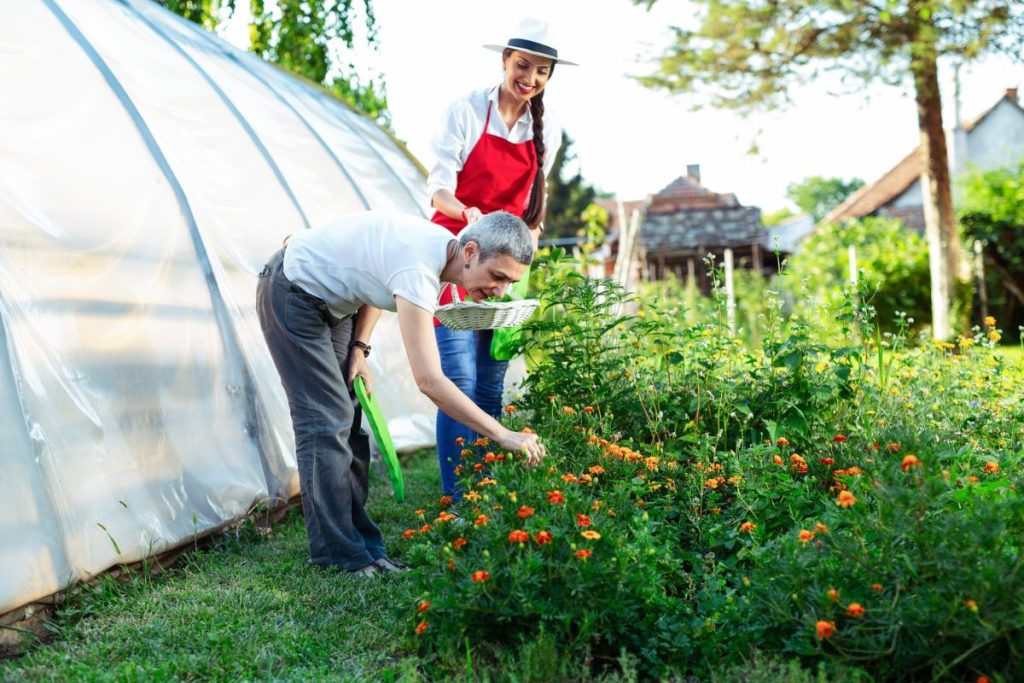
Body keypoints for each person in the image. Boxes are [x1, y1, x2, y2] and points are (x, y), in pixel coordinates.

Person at [256, 210, 543, 577]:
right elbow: (429, 380)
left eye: (509, 283)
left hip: (338, 306)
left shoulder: (440, 255)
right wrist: (503, 434)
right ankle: (337, 553)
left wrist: (360, 348)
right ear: (470, 251)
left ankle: (363, 547)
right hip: (292, 293)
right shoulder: (420, 269)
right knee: (325, 423)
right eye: (497, 276)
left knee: (351, 421)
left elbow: (376, 273)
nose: (500, 291)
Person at [427, 18, 575, 501]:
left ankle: (482, 492)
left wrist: (531, 234)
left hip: (508, 264)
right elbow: (438, 188)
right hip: (459, 255)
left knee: (492, 382)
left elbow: (537, 196)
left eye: (542, 71)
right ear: (504, 61)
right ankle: (456, 500)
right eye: (522, 65)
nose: (530, 78)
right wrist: (467, 213)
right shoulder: (467, 110)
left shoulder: (544, 124)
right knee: (460, 379)